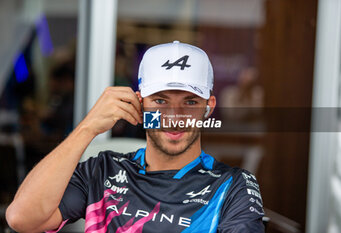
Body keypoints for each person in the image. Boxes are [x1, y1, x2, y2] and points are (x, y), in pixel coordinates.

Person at [6, 41, 265, 232]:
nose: (174, 115)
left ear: (208, 107)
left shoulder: (233, 186)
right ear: (139, 104)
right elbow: (21, 218)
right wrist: (87, 128)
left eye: (189, 102)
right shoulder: (103, 169)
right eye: (160, 100)